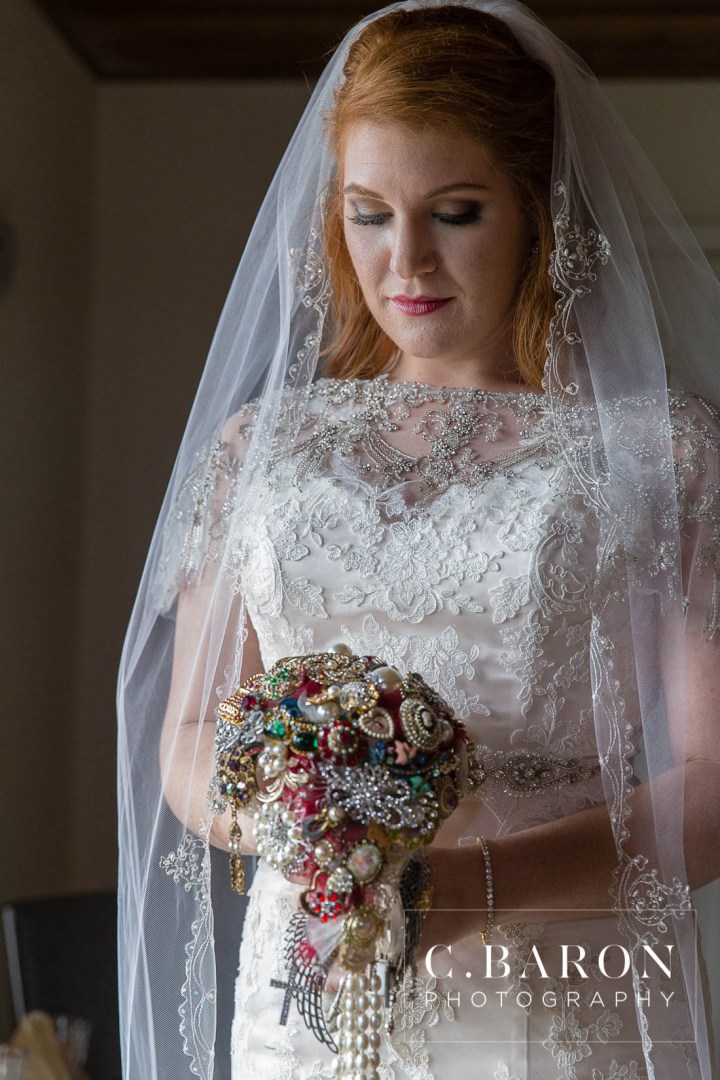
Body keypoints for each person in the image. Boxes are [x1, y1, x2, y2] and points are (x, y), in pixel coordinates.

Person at [117, 3, 720, 1079]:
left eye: (455, 211)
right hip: (307, 983)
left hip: (554, 990)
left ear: (539, 208)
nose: (406, 262)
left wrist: (459, 891)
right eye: (366, 214)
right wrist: (316, 838)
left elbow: (717, 786)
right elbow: (192, 735)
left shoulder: (659, 455)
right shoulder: (263, 448)